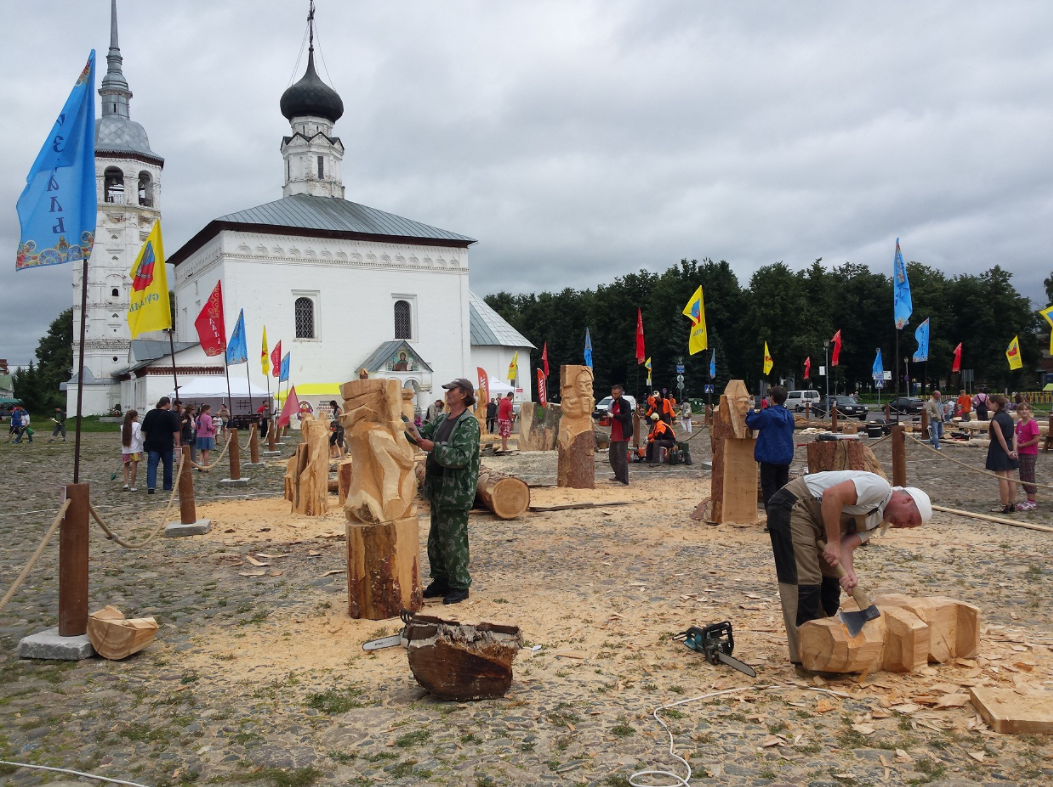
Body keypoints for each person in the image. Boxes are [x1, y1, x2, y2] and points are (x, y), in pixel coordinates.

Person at [766, 470, 932, 666]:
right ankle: (806, 658)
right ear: (906, 501)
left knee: (829, 582)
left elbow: (846, 547)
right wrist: (833, 542)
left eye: (909, 527)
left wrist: (849, 574)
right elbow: (832, 495)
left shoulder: (876, 521)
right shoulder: (879, 488)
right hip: (794, 505)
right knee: (805, 581)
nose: (904, 525)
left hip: (818, 523)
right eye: (910, 520)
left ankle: (825, 643)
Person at [405, 378, 481, 605]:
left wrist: (434, 448)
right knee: (436, 539)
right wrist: (405, 425)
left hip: (455, 491)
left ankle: (459, 584)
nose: (448, 394)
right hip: (438, 488)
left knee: (454, 540)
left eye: (452, 390)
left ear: (464, 394)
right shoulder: (441, 420)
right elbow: (420, 434)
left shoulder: (468, 424)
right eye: (447, 390)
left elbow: (460, 457)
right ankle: (441, 580)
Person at [745, 385, 795, 508]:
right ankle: (782, 518)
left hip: (769, 456)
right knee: (782, 489)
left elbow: (751, 422)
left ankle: (773, 521)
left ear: (772, 398)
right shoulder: (789, 416)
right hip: (785, 456)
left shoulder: (767, 414)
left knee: (769, 489)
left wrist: (751, 408)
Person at [985, 394, 1018, 514]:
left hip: (999, 449)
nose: (988, 405)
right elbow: (1014, 435)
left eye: (990, 403)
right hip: (1009, 446)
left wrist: (1008, 451)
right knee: (1010, 476)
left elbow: (1000, 438)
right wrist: (1013, 450)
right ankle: (1011, 503)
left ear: (996, 404)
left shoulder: (996, 420)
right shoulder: (1009, 417)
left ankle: (1004, 505)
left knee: (1002, 477)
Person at [141, 396, 181, 494]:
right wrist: (178, 442)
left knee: (152, 465)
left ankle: (151, 486)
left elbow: (145, 430)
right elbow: (175, 430)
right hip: (166, 444)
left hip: (152, 443)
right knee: (167, 465)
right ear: (167, 403)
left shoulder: (150, 414)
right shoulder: (170, 415)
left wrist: (148, 438)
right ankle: (167, 486)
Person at [1014, 401, 1040, 511]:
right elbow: (1016, 435)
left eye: (1026, 409)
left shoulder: (1032, 423)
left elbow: (1036, 438)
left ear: (1029, 411)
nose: (1024, 411)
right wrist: (1015, 448)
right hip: (1021, 453)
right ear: (1018, 411)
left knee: (1029, 476)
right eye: (1022, 409)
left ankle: (1032, 501)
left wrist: (1023, 445)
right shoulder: (1020, 423)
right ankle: (1028, 499)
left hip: (1030, 453)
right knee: (1023, 476)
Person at [608, 384, 633, 485]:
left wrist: (614, 416)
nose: (614, 395)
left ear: (620, 393)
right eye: (613, 393)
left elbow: (626, 417)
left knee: (622, 457)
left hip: (623, 433)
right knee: (612, 456)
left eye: (616, 393)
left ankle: (624, 479)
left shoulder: (625, 404)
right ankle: (618, 475)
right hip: (615, 433)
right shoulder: (613, 404)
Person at [120, 410, 143, 491]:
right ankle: (132, 485)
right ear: (134, 417)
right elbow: (138, 437)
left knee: (126, 466)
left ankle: (126, 483)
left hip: (126, 449)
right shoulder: (137, 425)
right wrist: (141, 446)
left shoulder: (123, 426)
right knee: (134, 467)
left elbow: (121, 438)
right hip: (135, 449)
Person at [196, 404, 216, 470]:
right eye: (209, 410)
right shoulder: (208, 417)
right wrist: (213, 428)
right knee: (206, 451)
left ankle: (200, 463)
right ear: (205, 410)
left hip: (199, 436)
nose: (210, 411)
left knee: (202, 451)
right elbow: (209, 427)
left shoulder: (197, 417)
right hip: (206, 436)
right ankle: (205, 465)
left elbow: (196, 427)